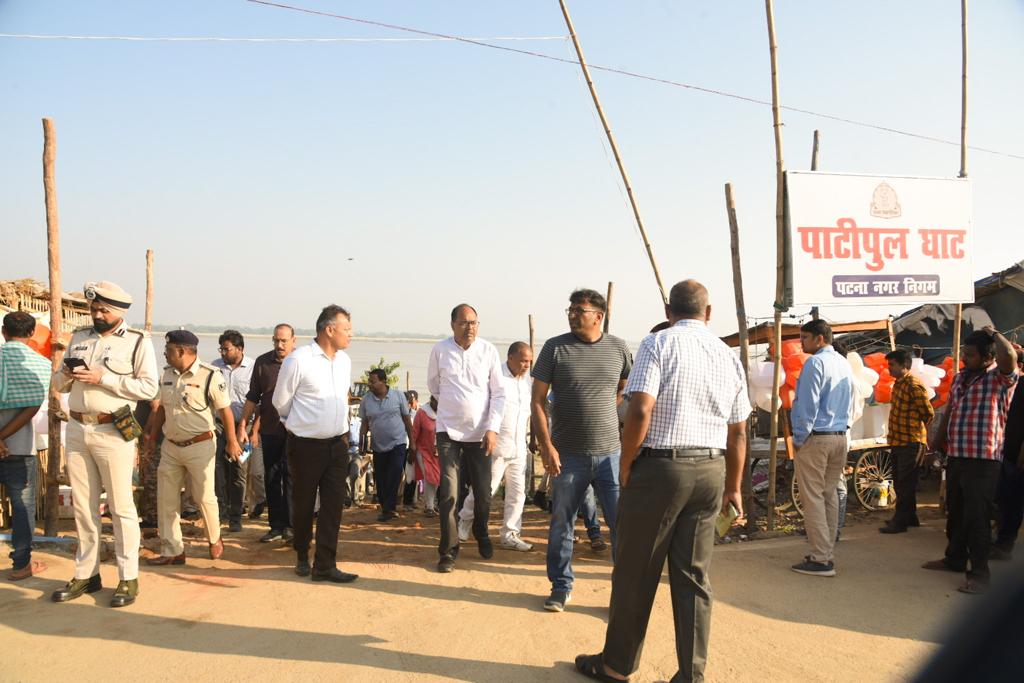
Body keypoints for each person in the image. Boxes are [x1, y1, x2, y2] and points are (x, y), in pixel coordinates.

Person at [573, 279, 750, 683]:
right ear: (708, 313)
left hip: (661, 470)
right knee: (694, 577)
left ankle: (617, 665)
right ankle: (691, 675)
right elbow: (739, 431)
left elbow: (640, 410)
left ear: (669, 311)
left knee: (636, 570)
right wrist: (734, 486)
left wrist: (626, 463)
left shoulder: (658, 344)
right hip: (710, 471)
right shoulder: (727, 355)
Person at [50, 281, 159, 607]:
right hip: (78, 429)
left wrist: (104, 378)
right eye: (93, 309)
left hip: (113, 430)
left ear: (119, 312)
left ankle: (128, 578)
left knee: (122, 507)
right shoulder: (79, 338)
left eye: (103, 310)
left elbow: (149, 388)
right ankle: (87, 574)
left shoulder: (138, 342)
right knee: (83, 507)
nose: (97, 315)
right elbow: (57, 383)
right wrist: (68, 376)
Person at [532, 288, 632, 612]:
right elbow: (537, 401)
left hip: (610, 455)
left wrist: (602, 409)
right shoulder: (554, 348)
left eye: (580, 310)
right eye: (571, 310)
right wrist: (547, 447)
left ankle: (623, 593)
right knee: (562, 522)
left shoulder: (619, 349)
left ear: (598, 316)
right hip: (568, 455)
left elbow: (623, 389)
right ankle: (561, 587)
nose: (574, 315)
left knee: (621, 525)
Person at [924, 327, 1018, 593]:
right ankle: (954, 558)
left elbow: (1009, 356)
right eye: (964, 353)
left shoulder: (1000, 379)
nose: (965, 358)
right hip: (957, 455)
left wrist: (997, 335)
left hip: (984, 459)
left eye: (971, 355)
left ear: (989, 357)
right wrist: (935, 443)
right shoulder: (959, 378)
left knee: (978, 516)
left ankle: (979, 573)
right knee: (956, 511)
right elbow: (951, 411)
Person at [272, 305, 358, 583]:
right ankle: (301, 554)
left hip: (338, 444)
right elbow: (280, 403)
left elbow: (342, 399)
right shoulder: (299, 360)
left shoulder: (344, 361)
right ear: (329, 330)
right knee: (304, 502)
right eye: (347, 329)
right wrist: (297, 425)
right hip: (306, 445)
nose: (351, 335)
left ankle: (325, 564)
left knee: (333, 506)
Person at [143, 331, 241, 565]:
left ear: (181, 351)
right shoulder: (166, 375)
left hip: (200, 445)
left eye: (168, 350)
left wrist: (232, 441)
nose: (164, 354)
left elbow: (225, 410)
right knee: (166, 499)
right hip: (171, 446)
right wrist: (152, 438)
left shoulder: (209, 375)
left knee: (203, 496)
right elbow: (163, 410)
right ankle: (172, 550)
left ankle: (214, 538)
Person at [427, 303, 505, 573]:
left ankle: (481, 530)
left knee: (483, 493)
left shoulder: (488, 351)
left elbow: (498, 394)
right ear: (452, 325)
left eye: (474, 322)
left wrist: (492, 428)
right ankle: (448, 550)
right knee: (449, 493)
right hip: (447, 431)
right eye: (464, 322)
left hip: (481, 434)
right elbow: (434, 386)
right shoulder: (440, 350)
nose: (470, 327)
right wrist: (456, 406)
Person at [789, 319, 853, 577]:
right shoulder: (843, 362)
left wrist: (799, 437)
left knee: (814, 497)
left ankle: (820, 558)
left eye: (805, 338)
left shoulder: (815, 363)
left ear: (819, 339)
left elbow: (807, 405)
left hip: (818, 437)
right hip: (840, 435)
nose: (802, 342)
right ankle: (825, 553)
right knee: (828, 495)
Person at [458, 341, 535, 551]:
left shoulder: (529, 381)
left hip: (519, 447)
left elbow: (533, 413)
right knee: (485, 491)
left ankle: (510, 534)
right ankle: (464, 520)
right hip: (496, 445)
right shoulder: (495, 377)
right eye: (523, 361)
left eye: (529, 361)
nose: (527, 365)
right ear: (510, 358)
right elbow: (483, 409)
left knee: (517, 494)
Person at [0, 311, 53, 580]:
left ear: (3, 331)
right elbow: (32, 406)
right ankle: (21, 565)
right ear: (32, 334)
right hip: (19, 448)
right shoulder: (41, 364)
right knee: (22, 508)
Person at [238, 323, 296, 543]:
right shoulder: (263, 363)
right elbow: (254, 396)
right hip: (270, 430)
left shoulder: (300, 362)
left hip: (295, 431)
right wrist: (243, 424)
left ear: (293, 340)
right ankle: (276, 526)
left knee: (291, 477)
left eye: (284, 340)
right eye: (276, 340)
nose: (279, 345)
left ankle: (292, 526)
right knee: (271, 477)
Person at [879, 349, 935, 534]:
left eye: (892, 365)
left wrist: (917, 432)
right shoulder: (898, 384)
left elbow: (928, 413)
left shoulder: (913, 384)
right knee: (900, 481)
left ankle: (900, 522)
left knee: (905, 482)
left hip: (911, 441)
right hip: (898, 440)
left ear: (904, 365)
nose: (889, 369)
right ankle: (910, 517)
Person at [211, 330, 255, 533]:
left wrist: (248, 429)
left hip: (243, 427)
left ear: (240, 349)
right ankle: (221, 512)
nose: (223, 353)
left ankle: (236, 516)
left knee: (239, 470)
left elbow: (258, 401)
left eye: (226, 349)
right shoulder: (215, 367)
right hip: (219, 426)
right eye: (221, 349)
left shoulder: (253, 368)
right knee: (217, 468)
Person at [359, 368, 415, 522]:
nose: (370, 384)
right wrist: (362, 442)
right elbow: (364, 423)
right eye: (369, 381)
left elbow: (407, 421)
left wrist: (413, 444)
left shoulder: (398, 396)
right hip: (378, 446)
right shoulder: (366, 400)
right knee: (382, 480)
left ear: (383, 381)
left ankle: (389, 508)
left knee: (396, 473)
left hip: (398, 443)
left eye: (373, 381)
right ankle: (386, 506)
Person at [992, 348, 1024, 560]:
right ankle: (1002, 540)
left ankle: (1005, 545)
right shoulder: (1006, 386)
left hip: (1018, 455)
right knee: (1005, 499)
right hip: (1004, 452)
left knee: (1013, 501)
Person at [412, 396, 440, 515]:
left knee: (437, 479)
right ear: (431, 400)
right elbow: (414, 432)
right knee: (428, 478)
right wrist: (411, 450)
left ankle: (432, 503)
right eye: (436, 402)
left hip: (439, 454)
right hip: (423, 451)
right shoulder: (422, 413)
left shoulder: (445, 413)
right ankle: (429, 506)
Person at [401, 390, 421, 511]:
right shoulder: (402, 415)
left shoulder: (415, 414)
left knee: (412, 476)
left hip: (410, 448)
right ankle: (405, 501)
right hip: (403, 447)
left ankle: (410, 501)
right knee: (406, 476)